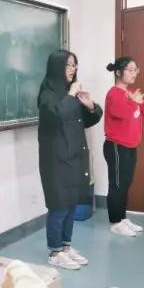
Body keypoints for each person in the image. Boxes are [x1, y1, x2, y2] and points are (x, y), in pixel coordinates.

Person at [38, 50, 103, 270]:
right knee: (58, 206)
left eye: (74, 65)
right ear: (57, 67)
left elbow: (88, 119)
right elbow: (56, 114)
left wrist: (90, 105)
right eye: (68, 65)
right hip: (55, 160)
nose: (72, 69)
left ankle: (66, 247)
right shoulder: (47, 93)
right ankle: (54, 252)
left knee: (71, 204)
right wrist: (70, 95)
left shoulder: (71, 93)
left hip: (74, 156)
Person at [103, 56, 144, 237]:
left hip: (131, 146)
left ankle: (122, 219)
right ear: (118, 72)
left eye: (135, 70)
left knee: (125, 183)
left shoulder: (131, 93)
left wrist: (139, 101)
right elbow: (121, 113)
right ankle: (115, 222)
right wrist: (133, 101)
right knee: (117, 185)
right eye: (130, 70)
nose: (134, 73)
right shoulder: (114, 93)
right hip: (117, 146)